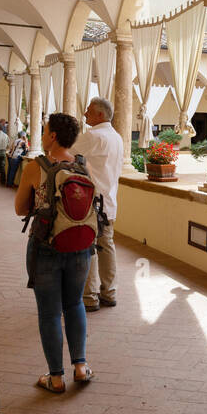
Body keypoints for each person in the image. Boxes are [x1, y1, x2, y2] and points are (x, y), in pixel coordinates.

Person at [14, 112, 94, 393]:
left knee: (49, 313)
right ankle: (81, 367)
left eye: (45, 130)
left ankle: (56, 377)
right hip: (80, 247)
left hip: (46, 246)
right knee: (74, 304)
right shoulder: (82, 165)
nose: (43, 134)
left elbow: (21, 208)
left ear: (53, 136)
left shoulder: (37, 166)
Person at [74, 97, 122, 311]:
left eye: (89, 111)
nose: (85, 114)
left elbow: (67, 153)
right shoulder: (117, 137)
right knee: (107, 246)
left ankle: (90, 296)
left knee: (88, 247)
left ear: (100, 115)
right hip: (109, 201)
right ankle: (109, 292)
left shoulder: (93, 135)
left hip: (91, 201)